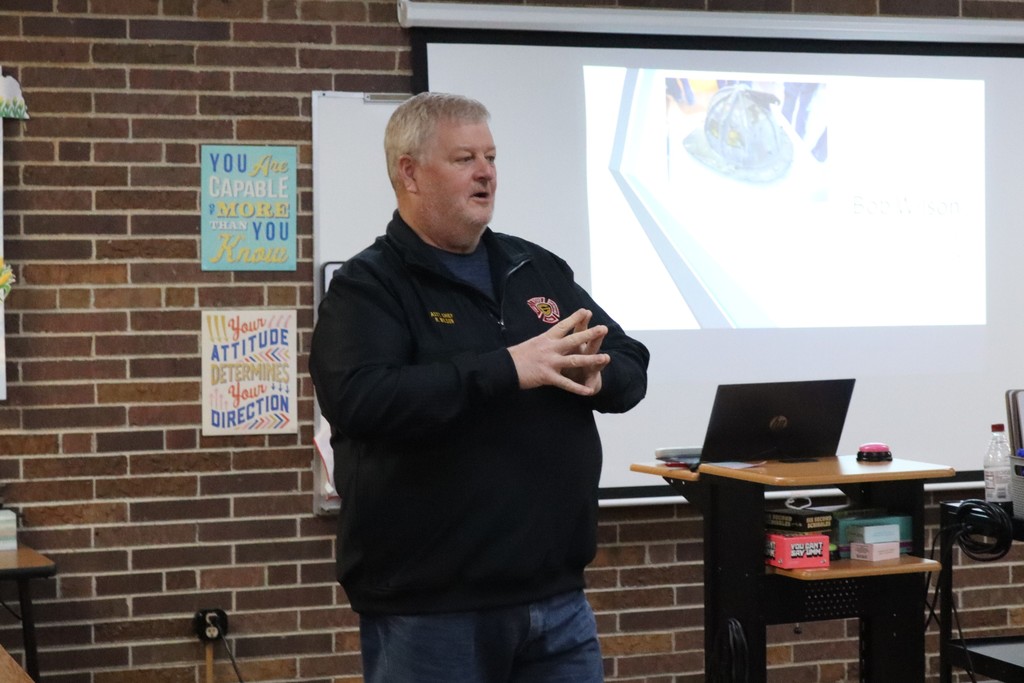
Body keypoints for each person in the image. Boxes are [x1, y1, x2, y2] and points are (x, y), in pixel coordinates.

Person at [309, 92, 649, 683]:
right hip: (432, 610)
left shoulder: (533, 268)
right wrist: (507, 369)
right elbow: (360, 400)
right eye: (465, 157)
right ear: (409, 173)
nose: (486, 172)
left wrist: (601, 375)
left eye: (491, 156)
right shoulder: (369, 286)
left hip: (557, 598)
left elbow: (630, 360)